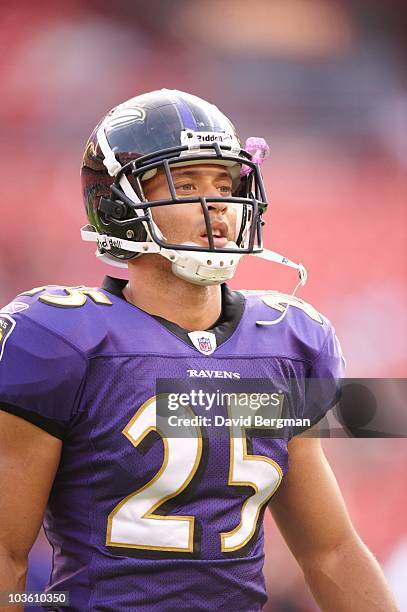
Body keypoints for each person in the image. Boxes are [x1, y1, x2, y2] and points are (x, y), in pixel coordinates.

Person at [0, 89, 397, 612]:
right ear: (117, 205)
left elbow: (331, 552)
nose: (218, 208)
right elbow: (8, 555)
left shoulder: (288, 339)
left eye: (225, 184)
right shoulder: (58, 337)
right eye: (185, 185)